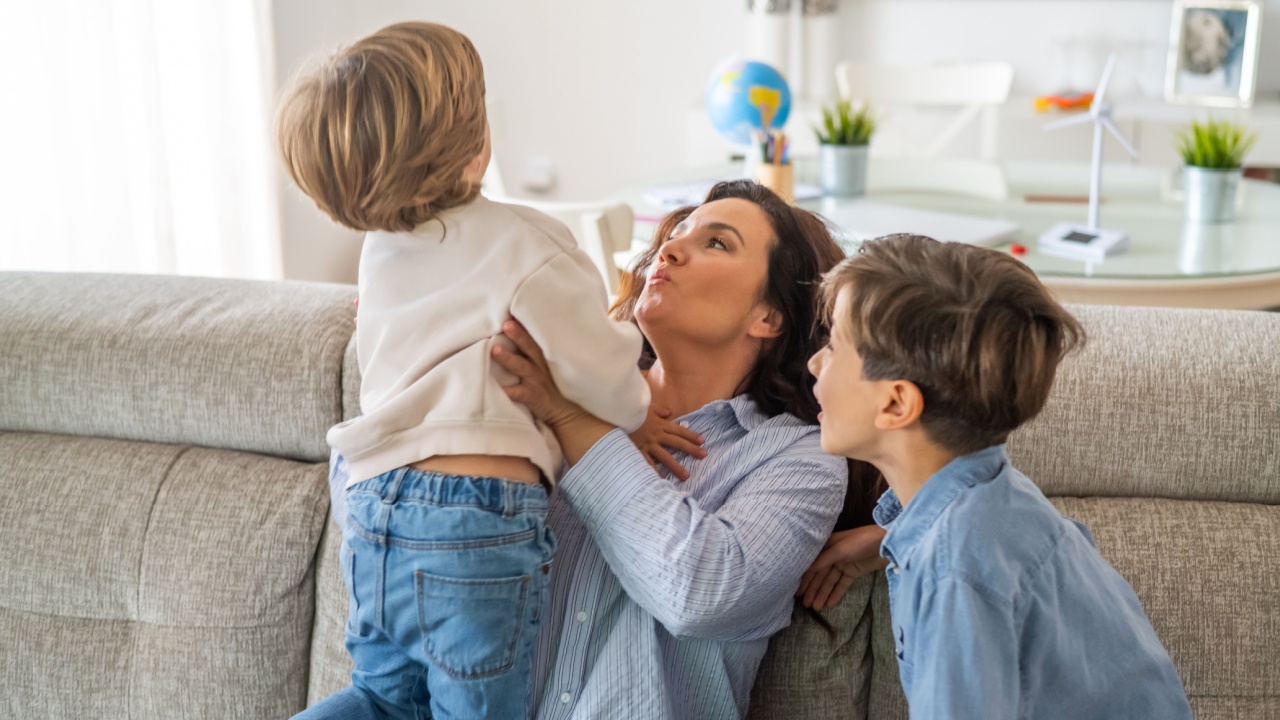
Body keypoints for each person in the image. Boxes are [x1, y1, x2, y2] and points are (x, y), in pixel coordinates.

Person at [277, 22, 651, 720]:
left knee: (379, 702)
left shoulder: (379, 253)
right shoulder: (530, 244)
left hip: (368, 506)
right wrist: (641, 395)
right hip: (472, 522)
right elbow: (610, 383)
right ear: (473, 154)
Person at [482, 179, 860, 718]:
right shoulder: (553, 379)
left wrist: (572, 422)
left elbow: (700, 593)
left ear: (769, 317)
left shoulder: (800, 459)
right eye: (677, 233)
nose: (670, 249)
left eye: (717, 243)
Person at [805, 234, 1193, 719]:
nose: (815, 362)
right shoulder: (1002, 502)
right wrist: (892, 540)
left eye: (835, 346)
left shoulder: (956, 566)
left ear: (896, 403)